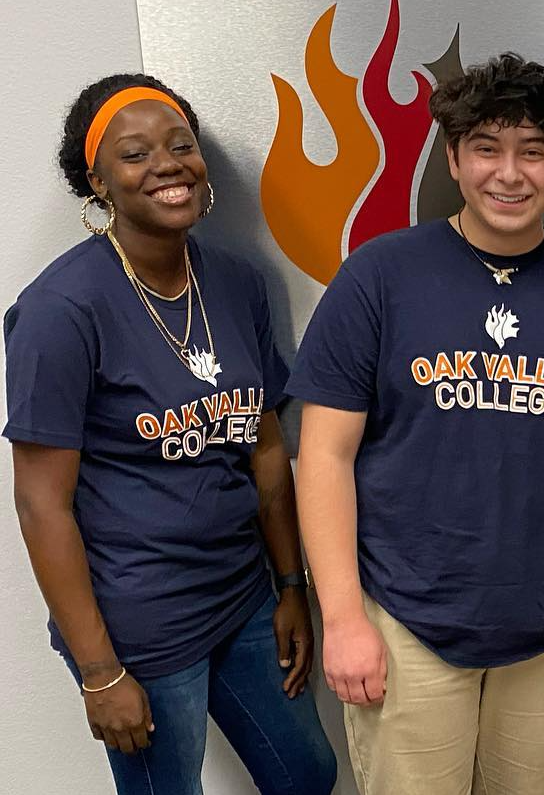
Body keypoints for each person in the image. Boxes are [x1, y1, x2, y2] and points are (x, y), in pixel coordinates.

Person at [287, 52, 544, 795]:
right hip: (406, 619)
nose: (509, 173)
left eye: (534, 152)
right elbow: (323, 454)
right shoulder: (378, 278)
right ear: (454, 160)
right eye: (487, 148)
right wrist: (344, 616)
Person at [4, 73, 336, 794]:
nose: (166, 164)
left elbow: (265, 446)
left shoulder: (239, 284)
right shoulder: (60, 310)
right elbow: (40, 505)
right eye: (135, 154)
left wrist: (290, 584)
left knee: (307, 775)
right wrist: (100, 672)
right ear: (98, 182)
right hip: (141, 626)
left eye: (180, 145)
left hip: (242, 595)